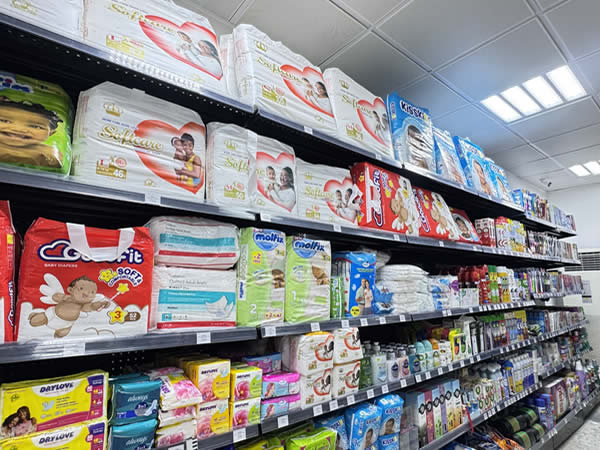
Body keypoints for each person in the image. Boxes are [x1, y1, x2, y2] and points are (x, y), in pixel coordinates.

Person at [0, 97, 63, 168]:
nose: (18, 129)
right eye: (5, 121)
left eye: (35, 126)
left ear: (51, 133)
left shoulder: (50, 154)